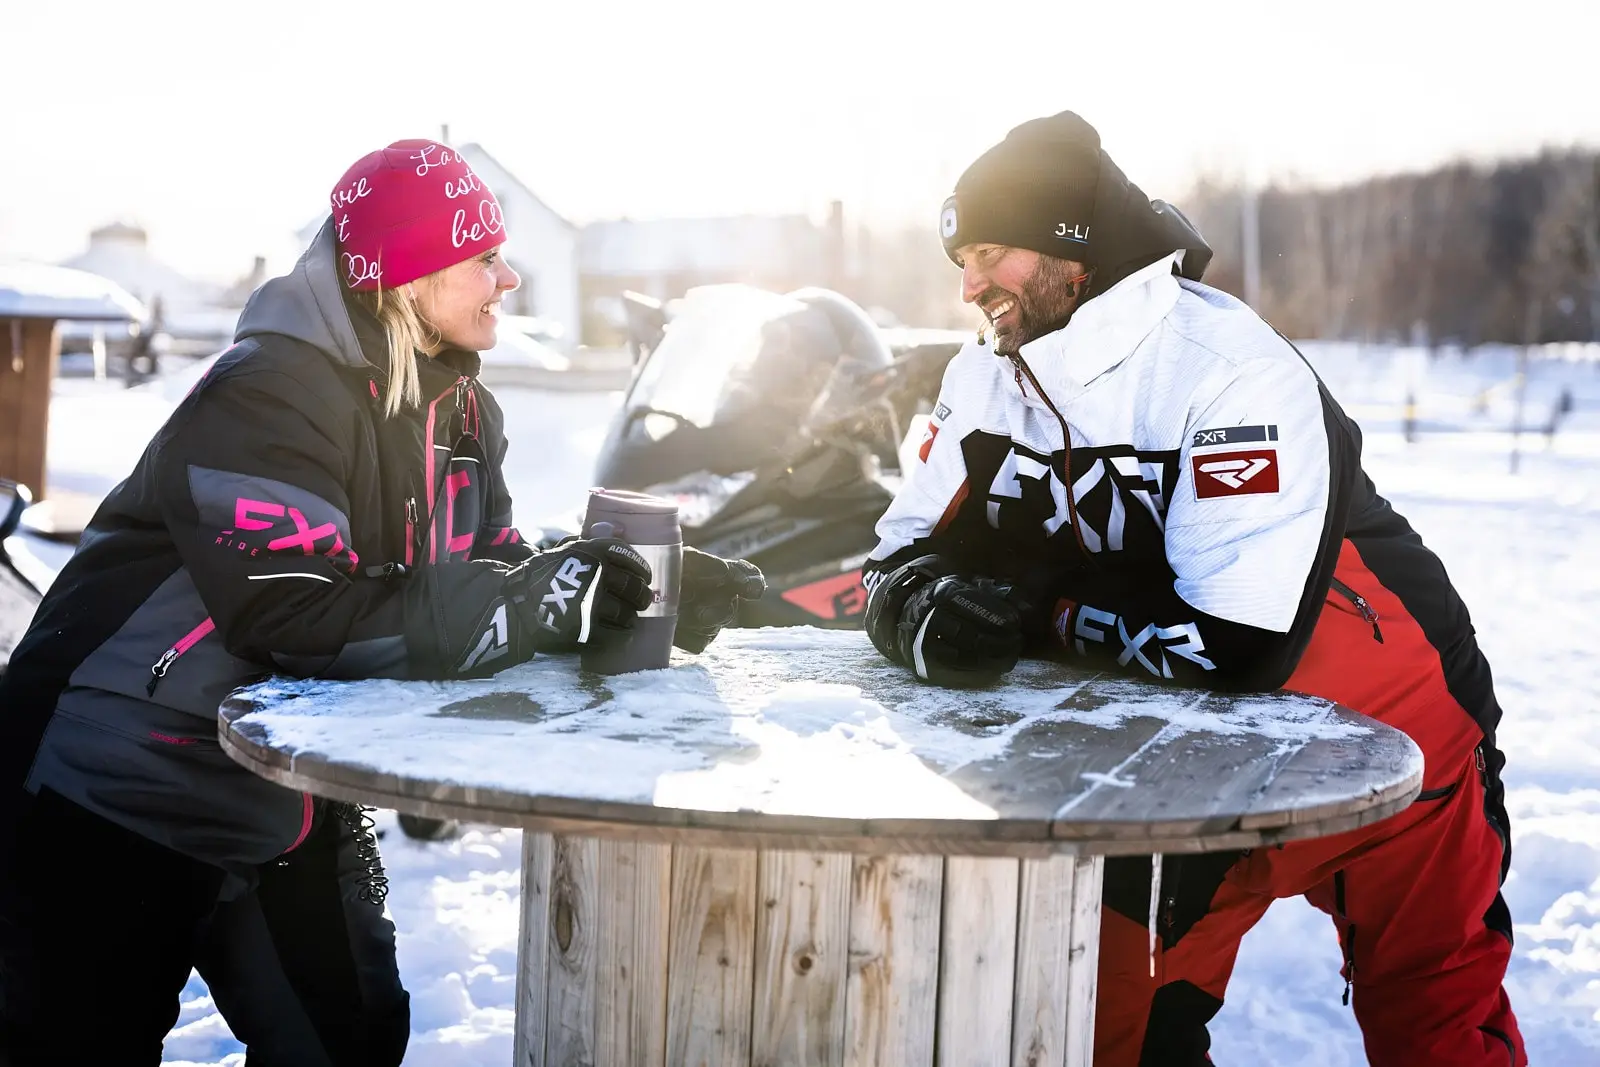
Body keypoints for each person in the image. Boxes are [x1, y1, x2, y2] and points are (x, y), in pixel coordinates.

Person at [0, 139, 763, 1066]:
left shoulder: (464, 409)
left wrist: (626, 592)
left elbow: (488, 570)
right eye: (482, 256)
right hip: (117, 775)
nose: (508, 277)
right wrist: (535, 601)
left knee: (351, 1041)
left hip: (291, 785)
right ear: (408, 277)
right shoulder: (271, 393)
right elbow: (293, 614)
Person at [863, 112, 1523, 1066]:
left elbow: (1234, 644)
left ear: (1070, 251)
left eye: (992, 252)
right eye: (961, 258)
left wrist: (1033, 605)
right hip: (1179, 768)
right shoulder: (984, 381)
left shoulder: (1226, 371)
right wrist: (918, 606)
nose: (967, 286)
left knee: (1438, 1029)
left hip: (1401, 737)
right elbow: (891, 558)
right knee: (1106, 1033)